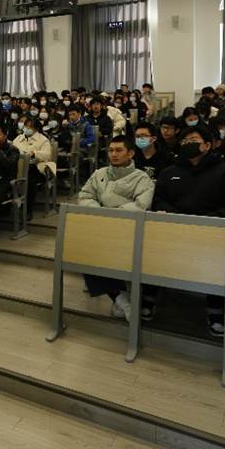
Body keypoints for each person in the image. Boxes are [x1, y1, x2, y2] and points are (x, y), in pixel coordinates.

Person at [152, 124, 225, 332]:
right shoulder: (169, 172)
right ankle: (148, 297)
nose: (188, 144)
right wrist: (175, 217)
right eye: (185, 141)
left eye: (194, 141)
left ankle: (216, 307)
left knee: (222, 257)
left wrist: (207, 221)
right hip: (175, 231)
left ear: (207, 145)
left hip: (214, 234)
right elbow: (159, 199)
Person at [78, 136, 155, 322]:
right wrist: (99, 212)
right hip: (100, 228)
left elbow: (141, 205)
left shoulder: (141, 178)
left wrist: (112, 215)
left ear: (131, 153)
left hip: (127, 231)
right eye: (111, 150)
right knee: (84, 251)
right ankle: (121, 299)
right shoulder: (99, 173)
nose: (114, 154)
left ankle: (120, 298)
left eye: (119, 150)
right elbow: (85, 196)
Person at [12, 117, 52, 219]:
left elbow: (47, 155)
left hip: (36, 169)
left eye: (30, 127)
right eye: (26, 126)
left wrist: (35, 153)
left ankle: (28, 210)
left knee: (29, 181)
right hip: (18, 167)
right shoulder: (18, 138)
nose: (27, 128)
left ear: (36, 128)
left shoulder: (43, 140)